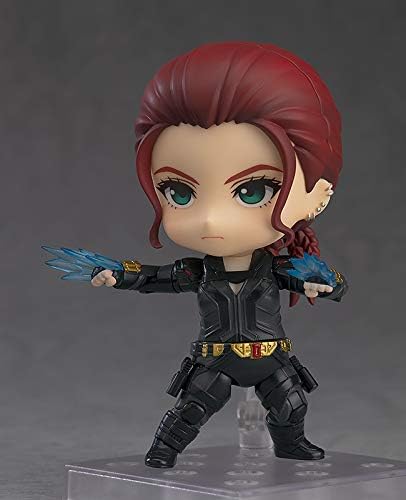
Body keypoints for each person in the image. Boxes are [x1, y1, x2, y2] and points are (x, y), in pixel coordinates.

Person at [47, 41, 349, 468]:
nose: (210, 219)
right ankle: (163, 450)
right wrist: (117, 275)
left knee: (291, 405)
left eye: (252, 190)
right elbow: (152, 277)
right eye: (179, 192)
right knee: (191, 411)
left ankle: (290, 445)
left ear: (319, 195)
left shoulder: (279, 268)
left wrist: (326, 283)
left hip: (270, 357)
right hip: (215, 359)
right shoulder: (197, 271)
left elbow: (331, 285)